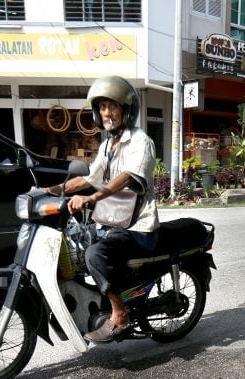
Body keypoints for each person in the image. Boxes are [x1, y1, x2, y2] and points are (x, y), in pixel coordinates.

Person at [41, 75, 159, 343]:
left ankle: (120, 313)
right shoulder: (108, 145)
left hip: (139, 227)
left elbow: (127, 177)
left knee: (95, 254)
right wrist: (51, 191)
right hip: (114, 222)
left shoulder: (141, 142)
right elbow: (89, 178)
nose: (107, 113)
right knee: (77, 250)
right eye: (103, 107)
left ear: (126, 109)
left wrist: (93, 198)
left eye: (113, 106)